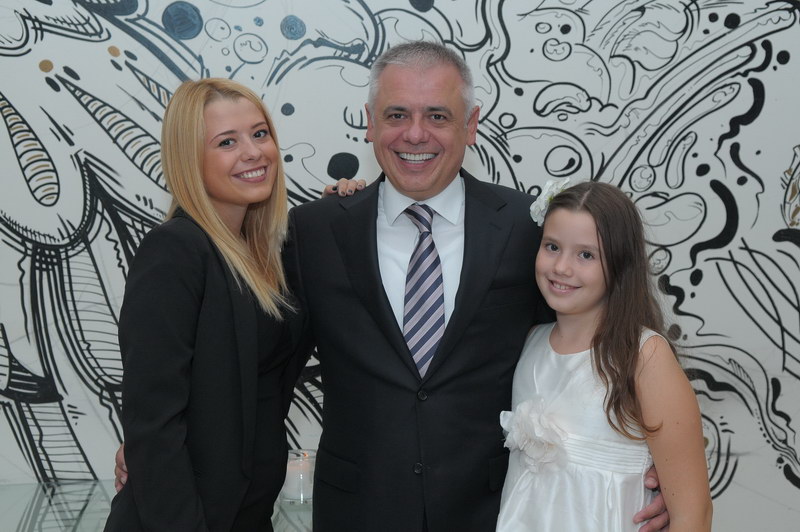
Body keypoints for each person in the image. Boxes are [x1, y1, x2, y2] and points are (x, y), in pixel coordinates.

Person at [115, 42, 670, 531]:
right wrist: (151, 448)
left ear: (471, 124)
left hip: (496, 511)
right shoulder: (312, 232)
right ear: (370, 123)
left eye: (438, 116)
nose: (415, 134)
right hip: (356, 512)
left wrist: (650, 463)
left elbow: (593, 346)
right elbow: (254, 367)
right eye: (397, 114)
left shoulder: (530, 231)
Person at [104, 78, 359, 531]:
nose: (253, 152)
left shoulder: (262, 257)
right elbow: (154, 423)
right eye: (227, 142)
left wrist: (342, 212)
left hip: (247, 516)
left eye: (260, 134)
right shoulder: (176, 250)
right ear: (189, 158)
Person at [496, 181, 712, 531]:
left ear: (620, 263)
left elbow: (693, 514)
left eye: (586, 255)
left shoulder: (644, 356)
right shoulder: (529, 343)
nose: (561, 267)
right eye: (552, 247)